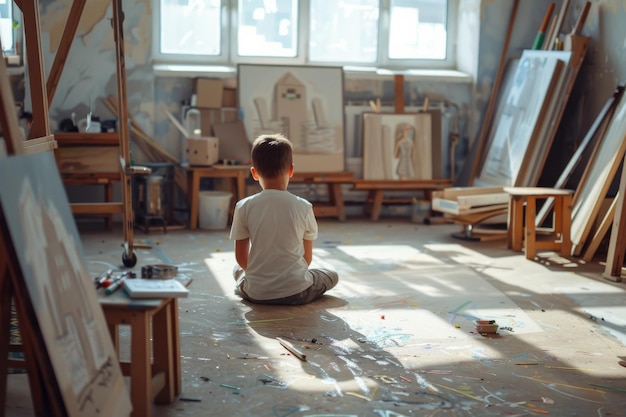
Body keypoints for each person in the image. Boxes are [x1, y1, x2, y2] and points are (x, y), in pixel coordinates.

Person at [229, 134, 338, 305]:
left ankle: (254, 283)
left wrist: (262, 279)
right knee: (331, 275)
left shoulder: (243, 206)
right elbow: (306, 259)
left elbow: (241, 258)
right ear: (291, 170)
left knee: (238, 270)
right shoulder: (304, 206)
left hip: (257, 293)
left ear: (254, 173)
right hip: (297, 292)